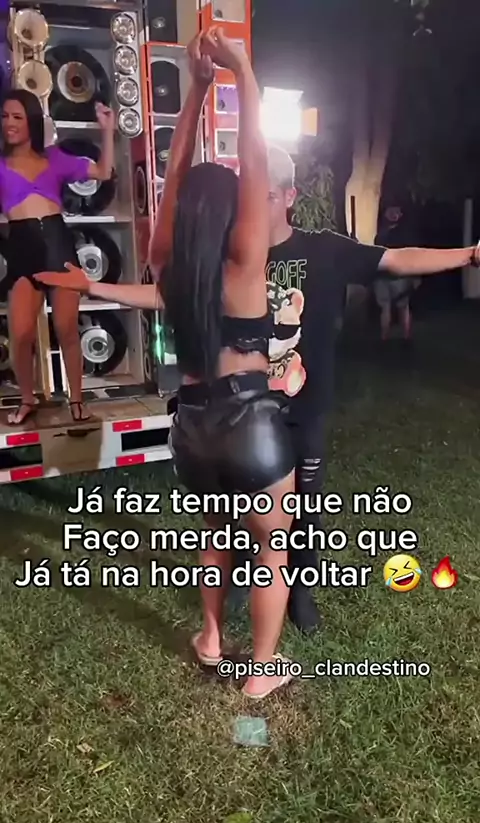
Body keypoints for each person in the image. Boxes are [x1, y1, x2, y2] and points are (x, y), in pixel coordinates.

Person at [34, 29, 297, 701]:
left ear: (185, 217)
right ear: (232, 212)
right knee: (271, 550)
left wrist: (199, 90)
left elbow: (172, 180)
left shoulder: (169, 267)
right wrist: (241, 71)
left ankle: (210, 637)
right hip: (251, 423)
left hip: (192, 429)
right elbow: (254, 160)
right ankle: (261, 671)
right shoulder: (245, 259)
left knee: (216, 534)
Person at [253, 145, 480, 634]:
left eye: (266, 194)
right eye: (248, 193)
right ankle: (249, 580)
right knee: (247, 504)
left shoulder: (324, 250)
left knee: (304, 505)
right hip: (247, 407)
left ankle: (301, 590)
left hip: (304, 404)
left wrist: (469, 254)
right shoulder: (234, 253)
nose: (254, 204)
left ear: (289, 196)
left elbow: (398, 259)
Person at [0, 89, 114, 425]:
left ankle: (77, 401)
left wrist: (107, 130)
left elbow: (104, 172)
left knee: (66, 329)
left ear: (32, 122)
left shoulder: (54, 158)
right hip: (21, 249)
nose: (9, 123)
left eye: (17, 117)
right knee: (20, 334)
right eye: (4, 116)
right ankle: (27, 399)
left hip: (58, 248)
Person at [373, 205, 421, 341]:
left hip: (394, 276)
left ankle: (396, 338)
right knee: (397, 307)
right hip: (391, 276)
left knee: (398, 307)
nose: (394, 214)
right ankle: (395, 338)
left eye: (396, 212)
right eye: (391, 211)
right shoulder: (387, 234)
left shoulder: (385, 234)